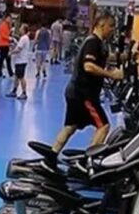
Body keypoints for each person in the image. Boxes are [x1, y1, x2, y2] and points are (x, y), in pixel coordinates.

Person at [50, 14, 124, 160]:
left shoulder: (96, 43)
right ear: (102, 25)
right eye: (111, 26)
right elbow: (89, 66)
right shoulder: (93, 42)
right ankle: (88, 161)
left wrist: (123, 57)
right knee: (103, 126)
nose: (112, 30)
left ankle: (51, 155)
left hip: (75, 91)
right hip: (84, 94)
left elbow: (104, 56)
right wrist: (111, 75)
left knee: (70, 127)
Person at [8, 24, 31, 100]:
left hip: (21, 60)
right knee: (16, 76)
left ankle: (24, 93)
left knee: (21, 77)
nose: (20, 29)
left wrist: (11, 52)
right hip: (19, 61)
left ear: (24, 30)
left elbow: (19, 49)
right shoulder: (24, 38)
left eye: (21, 28)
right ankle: (14, 91)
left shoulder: (23, 38)